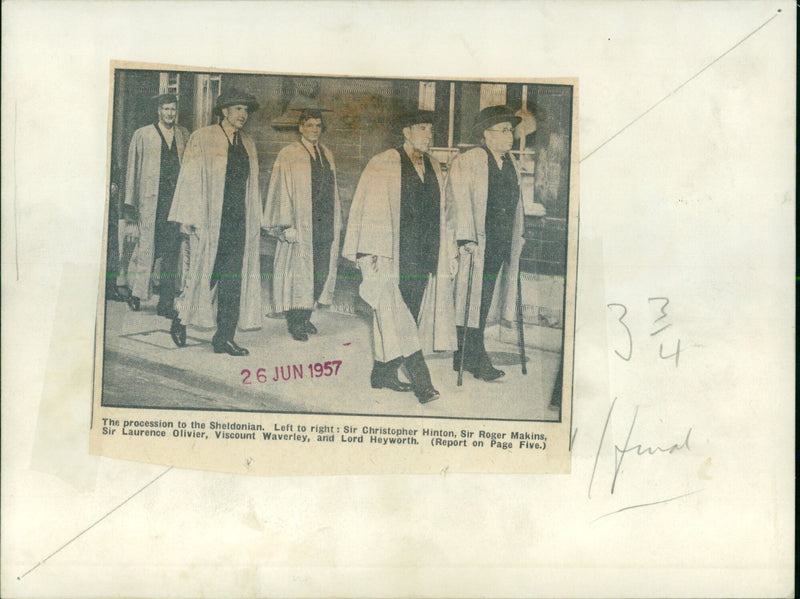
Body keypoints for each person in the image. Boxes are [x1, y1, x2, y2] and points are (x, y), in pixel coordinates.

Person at [342, 110, 457, 404]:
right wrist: (370, 253)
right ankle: (424, 384)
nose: (428, 135)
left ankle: (383, 372)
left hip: (424, 257)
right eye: (421, 128)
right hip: (392, 255)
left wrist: (447, 252)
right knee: (400, 319)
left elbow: (444, 214)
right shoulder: (384, 163)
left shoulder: (433, 165)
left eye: (430, 129)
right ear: (405, 131)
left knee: (402, 318)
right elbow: (371, 210)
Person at [448, 105, 546, 381]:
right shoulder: (470, 160)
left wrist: (519, 235)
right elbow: (458, 199)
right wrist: (466, 237)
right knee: (472, 300)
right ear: (486, 134)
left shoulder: (510, 162)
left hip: (501, 243)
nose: (509, 135)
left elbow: (516, 204)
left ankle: (463, 353)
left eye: (510, 130)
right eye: (503, 130)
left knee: (484, 299)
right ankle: (475, 358)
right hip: (476, 242)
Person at [167, 88, 262, 356]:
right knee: (202, 275)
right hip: (209, 220)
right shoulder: (203, 138)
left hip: (237, 223)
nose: (243, 115)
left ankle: (225, 337)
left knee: (232, 279)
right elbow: (190, 178)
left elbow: (251, 186)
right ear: (224, 111)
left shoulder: (248, 143)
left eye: (246, 110)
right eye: (238, 109)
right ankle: (181, 319)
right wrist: (188, 218)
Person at [263, 108, 342, 341]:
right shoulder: (289, 154)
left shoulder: (326, 153)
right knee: (299, 273)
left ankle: (306, 316)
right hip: (301, 223)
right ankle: (295, 322)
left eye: (318, 126)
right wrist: (286, 224)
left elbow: (332, 189)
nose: (314, 130)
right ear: (300, 128)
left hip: (323, 223)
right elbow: (280, 189)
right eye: (309, 125)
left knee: (319, 271)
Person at [122, 93, 190, 316]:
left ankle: (166, 303)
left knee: (172, 254)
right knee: (147, 250)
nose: (170, 113)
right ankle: (136, 292)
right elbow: (132, 170)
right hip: (151, 204)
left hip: (175, 204)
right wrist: (130, 205)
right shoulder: (143, 135)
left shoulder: (183, 135)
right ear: (158, 111)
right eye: (166, 109)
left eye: (173, 109)